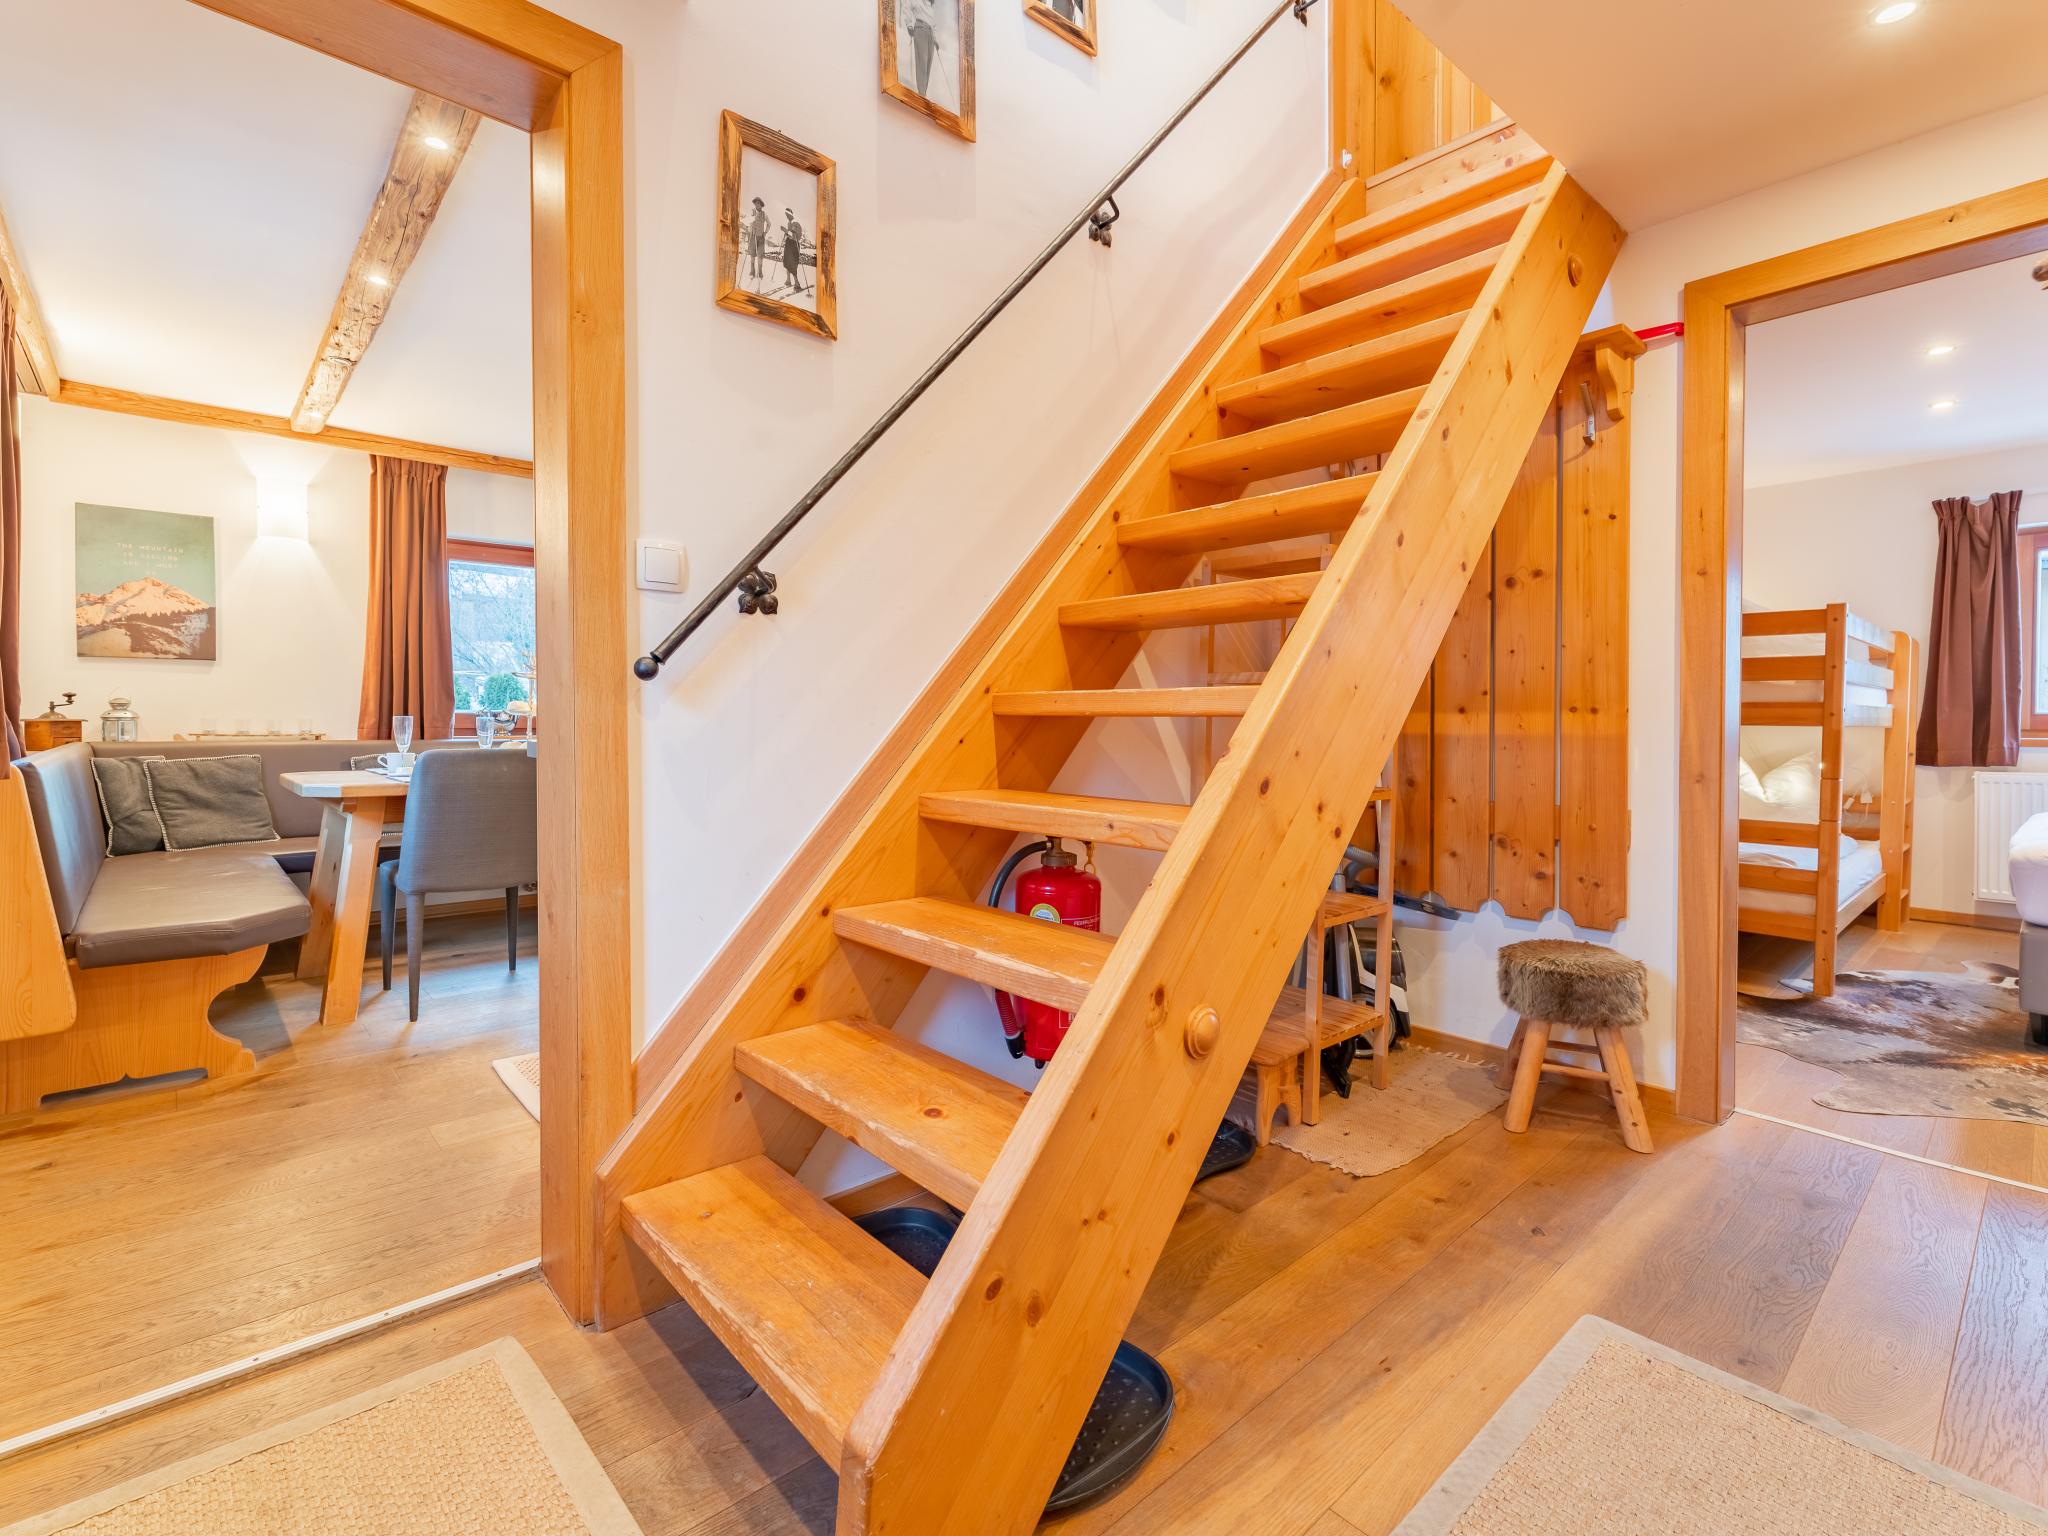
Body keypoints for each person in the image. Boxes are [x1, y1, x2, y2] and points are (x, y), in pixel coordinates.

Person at [903, 0, 939, 98]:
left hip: (930, 33)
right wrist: (909, 24)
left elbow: (933, 25)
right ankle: (921, 94)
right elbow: (906, 7)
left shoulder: (931, 7)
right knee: (922, 63)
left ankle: (923, 94)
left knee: (928, 65)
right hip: (920, 29)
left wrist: (935, 39)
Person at [781, 208, 807, 297]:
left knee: (792, 263)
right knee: (786, 262)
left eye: (788, 215)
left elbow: (796, 237)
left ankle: (797, 283)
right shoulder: (789, 223)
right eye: (786, 215)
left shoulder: (796, 223)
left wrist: (786, 231)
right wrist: (786, 233)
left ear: (792, 214)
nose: (787, 216)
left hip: (794, 245)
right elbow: (789, 235)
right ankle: (788, 280)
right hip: (788, 244)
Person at [744, 195, 769, 284]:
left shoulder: (764, 214)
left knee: (760, 256)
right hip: (752, 236)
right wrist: (751, 226)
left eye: (758, 203)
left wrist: (765, 233)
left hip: (761, 238)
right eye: (755, 203)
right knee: (752, 255)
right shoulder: (752, 212)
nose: (756, 204)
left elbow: (769, 224)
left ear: (761, 205)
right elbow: (748, 221)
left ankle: (760, 272)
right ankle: (752, 271)